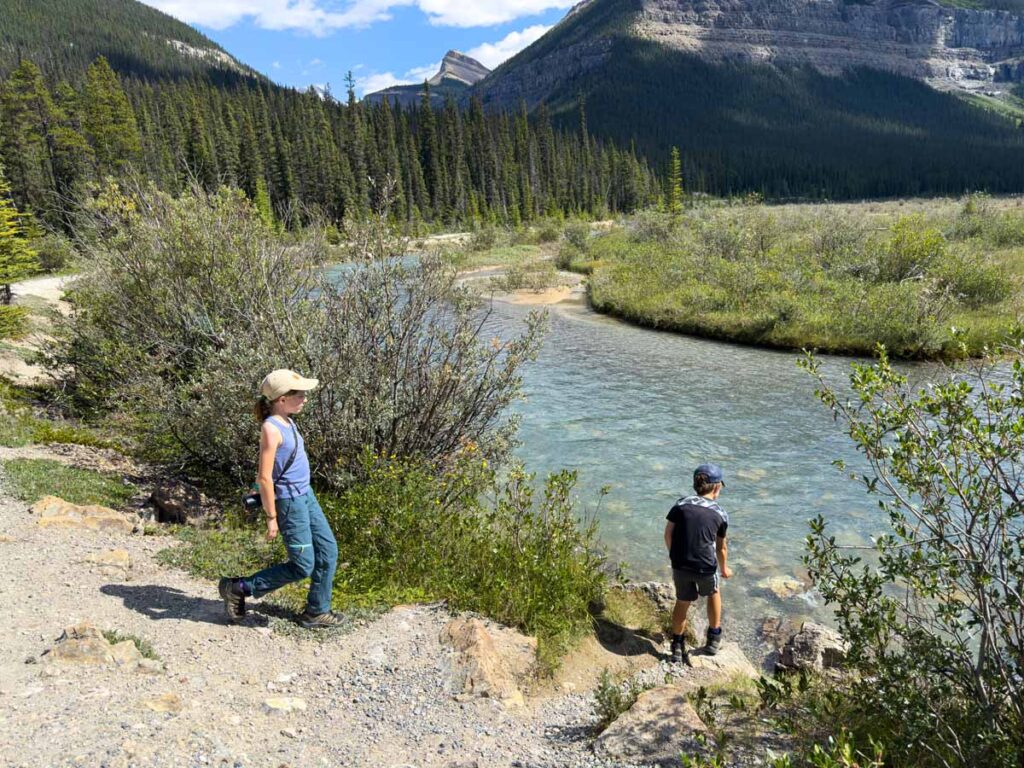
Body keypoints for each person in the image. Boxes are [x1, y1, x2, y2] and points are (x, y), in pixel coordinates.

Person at [218, 369, 341, 629]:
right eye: (300, 394)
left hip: (306, 495)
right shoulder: (271, 428)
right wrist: (271, 518)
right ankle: (238, 587)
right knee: (303, 566)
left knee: (328, 551)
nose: (305, 398)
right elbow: (265, 477)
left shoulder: (288, 420)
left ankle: (317, 611)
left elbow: (276, 466)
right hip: (289, 504)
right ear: (282, 399)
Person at [664, 463, 732, 662]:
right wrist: (725, 568)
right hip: (705, 566)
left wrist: (674, 555)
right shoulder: (720, 513)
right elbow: (721, 548)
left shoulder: (680, 504)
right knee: (713, 593)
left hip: (680, 564)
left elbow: (668, 534)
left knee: (682, 601)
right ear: (717, 486)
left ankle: (677, 644)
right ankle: (713, 638)